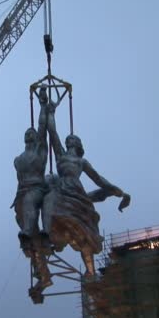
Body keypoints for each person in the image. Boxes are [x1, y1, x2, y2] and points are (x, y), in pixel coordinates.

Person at [41, 99, 130, 276]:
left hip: (76, 192)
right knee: (48, 199)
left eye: (72, 139)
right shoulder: (61, 156)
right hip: (62, 189)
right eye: (69, 139)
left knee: (84, 235)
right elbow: (53, 133)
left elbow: (98, 179)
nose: (69, 139)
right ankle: (45, 234)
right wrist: (51, 112)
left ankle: (90, 271)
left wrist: (118, 191)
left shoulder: (82, 162)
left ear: (78, 144)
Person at [11, 87, 49, 256]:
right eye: (27, 133)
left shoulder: (40, 151)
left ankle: (28, 232)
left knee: (29, 202)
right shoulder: (18, 159)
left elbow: (42, 126)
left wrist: (42, 105)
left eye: (31, 133)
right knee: (21, 216)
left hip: (37, 189)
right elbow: (19, 179)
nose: (29, 134)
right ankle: (36, 248)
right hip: (21, 192)